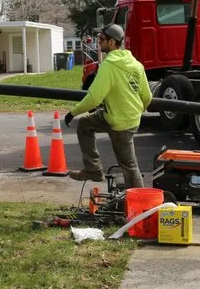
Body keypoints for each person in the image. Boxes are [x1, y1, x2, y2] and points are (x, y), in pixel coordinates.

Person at [64, 23, 152, 188]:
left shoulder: (109, 66)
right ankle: (93, 170)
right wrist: (136, 111)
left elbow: (94, 98)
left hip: (121, 124)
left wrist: (72, 112)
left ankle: (140, 204)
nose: (99, 42)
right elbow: (147, 96)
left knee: (129, 166)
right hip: (118, 117)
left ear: (112, 42)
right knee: (84, 124)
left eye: (102, 39)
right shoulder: (136, 65)